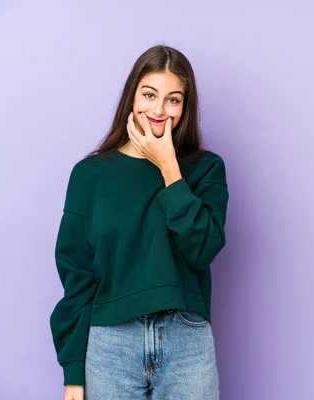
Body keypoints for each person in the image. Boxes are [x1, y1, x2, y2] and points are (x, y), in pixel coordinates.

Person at [49, 45, 229, 400]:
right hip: (110, 342)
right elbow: (77, 273)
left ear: (185, 107)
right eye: (149, 95)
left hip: (186, 339)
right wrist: (73, 373)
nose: (159, 110)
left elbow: (203, 249)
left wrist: (169, 167)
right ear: (132, 96)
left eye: (173, 99)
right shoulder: (90, 175)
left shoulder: (206, 169)